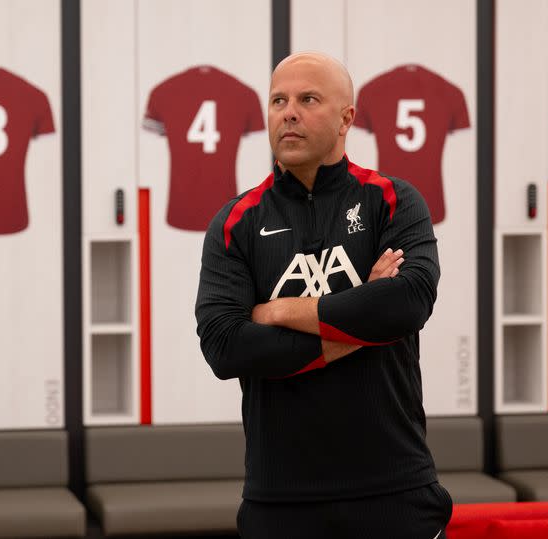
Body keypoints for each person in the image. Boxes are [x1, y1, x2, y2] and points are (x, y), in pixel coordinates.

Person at [195, 51, 452, 539]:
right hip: (280, 501)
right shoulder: (235, 224)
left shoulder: (393, 201)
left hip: (394, 493)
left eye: (307, 99)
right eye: (278, 100)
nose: (288, 112)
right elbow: (226, 347)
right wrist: (361, 326)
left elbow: (408, 302)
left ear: (346, 118)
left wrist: (281, 311)